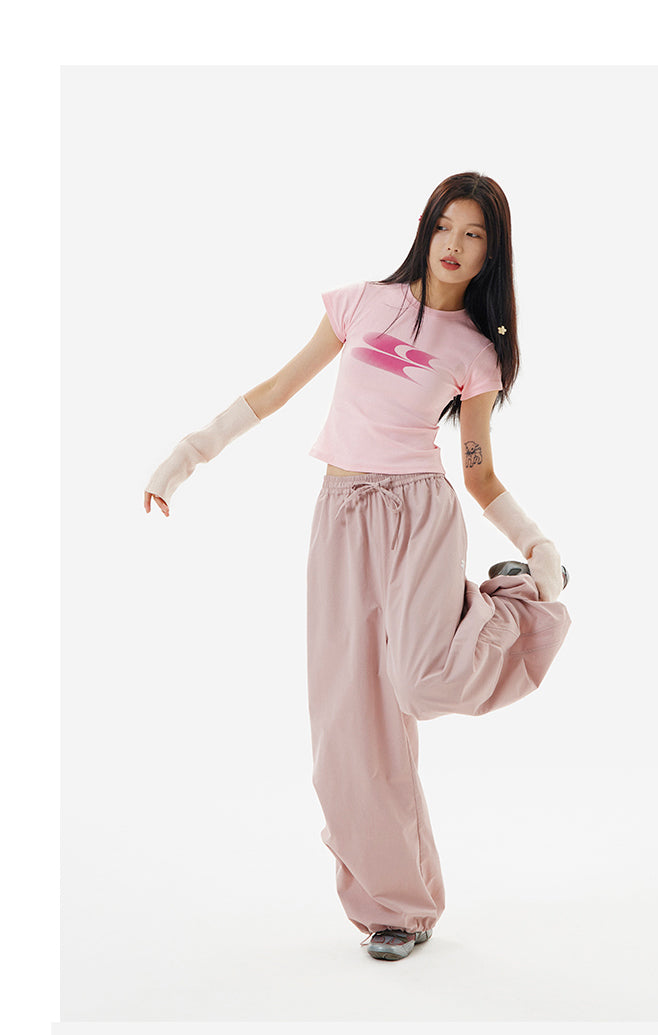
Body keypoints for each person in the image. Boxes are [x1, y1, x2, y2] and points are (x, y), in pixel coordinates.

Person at [144, 171, 572, 963]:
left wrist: (538, 545)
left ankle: (512, 602)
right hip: (341, 516)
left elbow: (479, 474)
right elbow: (275, 390)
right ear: (426, 228)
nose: (454, 245)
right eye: (446, 226)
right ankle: (397, 910)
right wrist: (188, 454)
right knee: (349, 725)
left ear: (492, 252)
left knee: (422, 682)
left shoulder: (477, 352)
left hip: (420, 515)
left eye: (474, 234)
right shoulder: (362, 303)